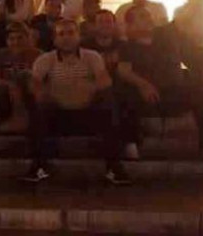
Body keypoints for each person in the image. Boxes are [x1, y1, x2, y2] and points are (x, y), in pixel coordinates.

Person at [23, 19, 129, 185]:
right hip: (57, 114)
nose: (67, 38)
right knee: (38, 108)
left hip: (87, 111)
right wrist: (55, 94)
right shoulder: (45, 60)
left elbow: (104, 82)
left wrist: (80, 91)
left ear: (78, 36)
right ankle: (38, 166)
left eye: (71, 33)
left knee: (109, 102)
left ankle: (114, 167)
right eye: (61, 34)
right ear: (55, 39)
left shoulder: (92, 57)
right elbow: (34, 85)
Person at [117, 6, 203, 161]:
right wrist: (143, 85)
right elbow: (123, 70)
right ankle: (130, 143)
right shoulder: (127, 46)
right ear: (131, 24)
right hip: (145, 97)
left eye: (149, 15)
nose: (149, 19)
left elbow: (186, 14)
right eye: (142, 16)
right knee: (124, 92)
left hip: (172, 92)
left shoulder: (165, 35)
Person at [0, 22, 40, 157]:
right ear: (7, 40)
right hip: (4, 95)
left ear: (27, 38)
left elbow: (39, 79)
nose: (16, 42)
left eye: (20, 38)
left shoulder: (37, 55)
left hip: (27, 95)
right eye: (12, 39)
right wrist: (11, 86)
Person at [82, 10, 123, 77]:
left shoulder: (123, 46)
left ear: (114, 24)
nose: (105, 25)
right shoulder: (84, 46)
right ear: (94, 25)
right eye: (100, 22)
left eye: (108, 21)